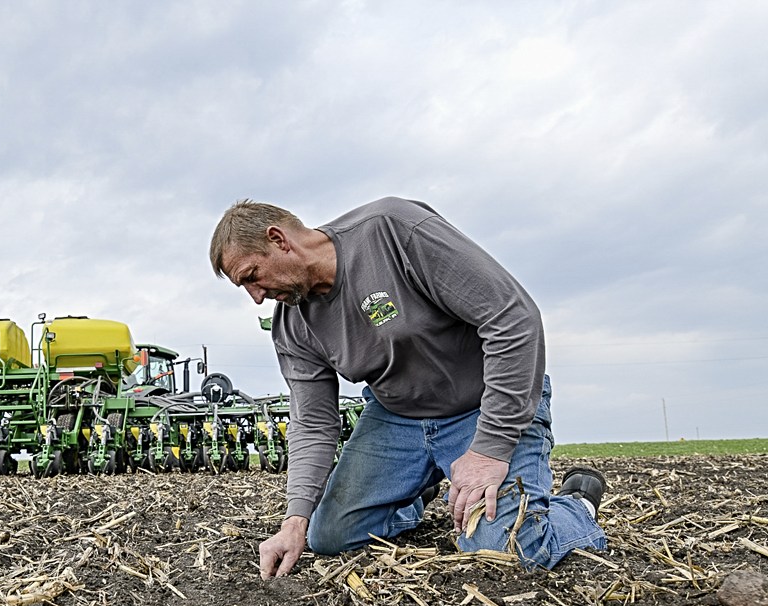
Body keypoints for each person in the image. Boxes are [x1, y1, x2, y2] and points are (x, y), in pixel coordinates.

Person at [209, 197, 607, 579]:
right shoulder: (293, 324)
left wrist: (489, 450)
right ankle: (413, 491)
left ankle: (576, 504)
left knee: (512, 552)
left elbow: (512, 318)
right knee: (328, 536)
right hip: (398, 418)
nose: (257, 297)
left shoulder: (394, 231)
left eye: (252, 276)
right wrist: (294, 520)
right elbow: (313, 421)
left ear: (279, 240)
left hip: (483, 406)